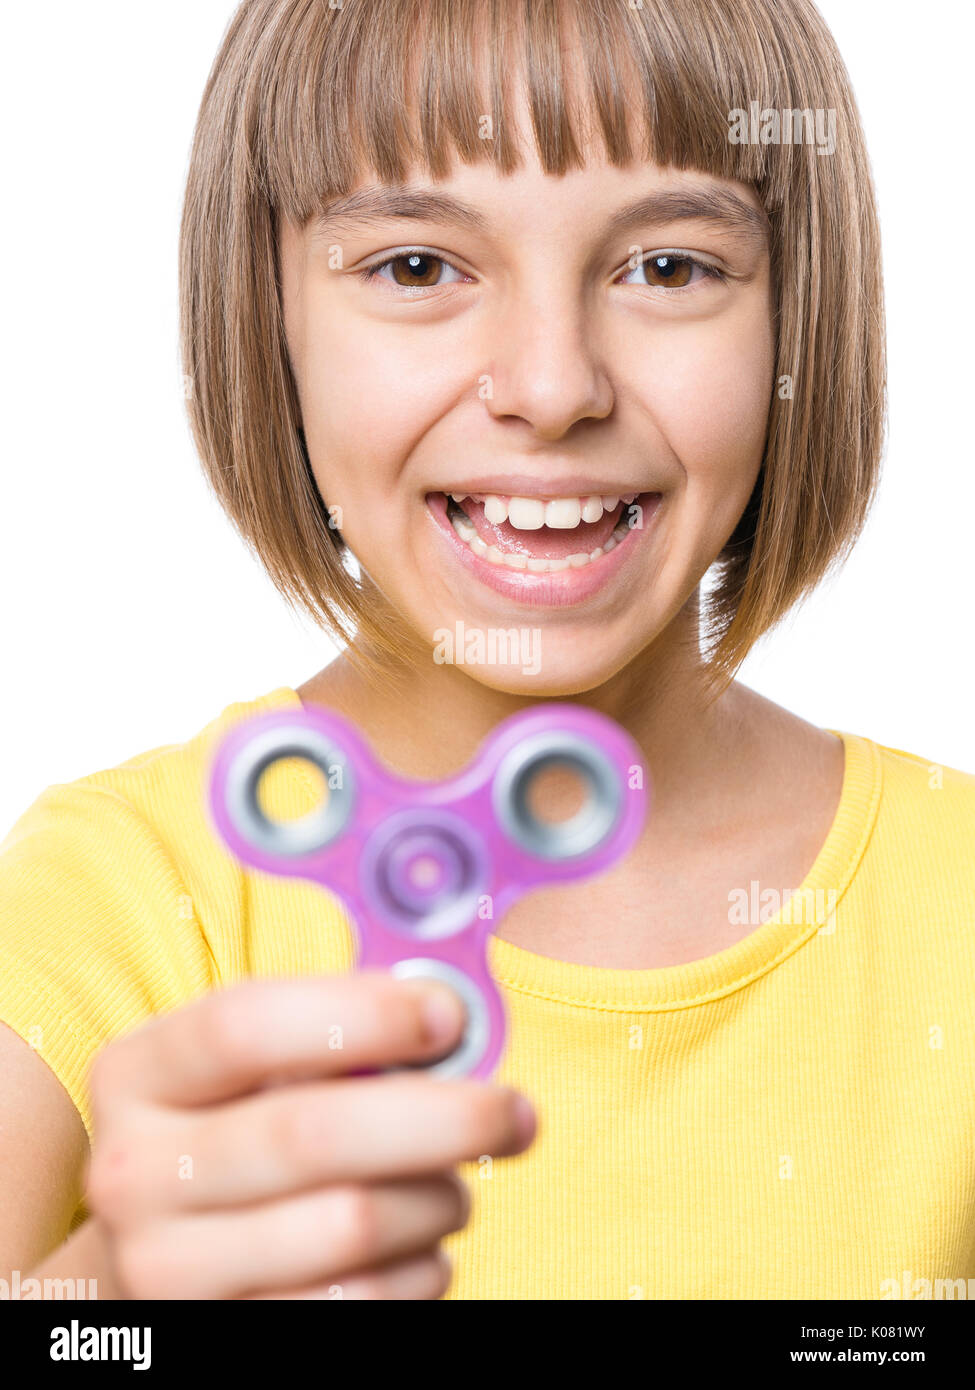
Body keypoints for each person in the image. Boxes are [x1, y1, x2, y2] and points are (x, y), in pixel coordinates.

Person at [2, 0, 973, 1301]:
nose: (553, 384)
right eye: (416, 268)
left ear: (799, 317)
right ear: (267, 318)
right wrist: (110, 1308)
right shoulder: (115, 900)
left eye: (669, 268)